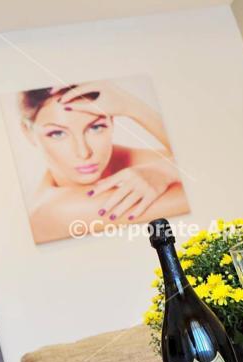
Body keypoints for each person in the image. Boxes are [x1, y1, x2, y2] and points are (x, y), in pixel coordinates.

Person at [18, 81, 189, 243]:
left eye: (95, 127)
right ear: (28, 133)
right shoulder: (56, 211)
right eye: (57, 133)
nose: (84, 153)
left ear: (111, 121)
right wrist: (168, 169)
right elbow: (202, 180)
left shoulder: (116, 158)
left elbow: (199, 158)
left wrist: (130, 106)